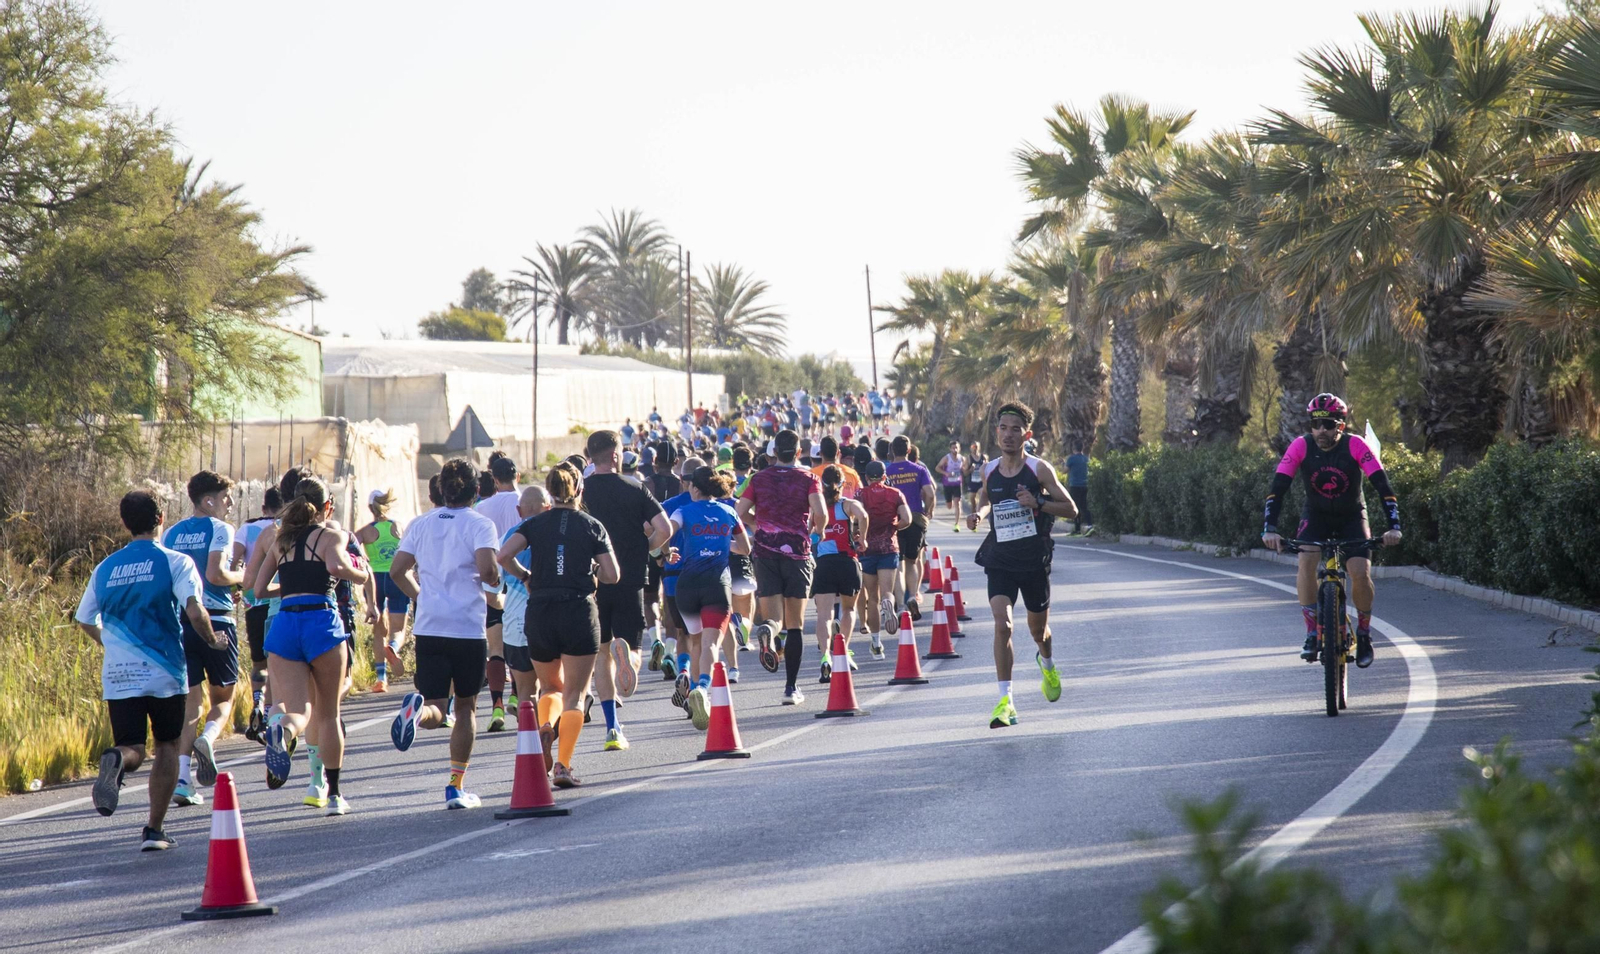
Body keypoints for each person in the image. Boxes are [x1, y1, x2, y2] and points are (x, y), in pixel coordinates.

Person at [79, 491, 223, 850]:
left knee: (132, 747)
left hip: (119, 673)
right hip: (163, 671)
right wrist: (212, 640)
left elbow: (83, 619)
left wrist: (111, 644)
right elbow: (194, 610)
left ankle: (117, 759)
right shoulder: (176, 562)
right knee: (167, 745)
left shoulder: (105, 568)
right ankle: (154, 830)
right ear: (162, 518)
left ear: (125, 524)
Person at [388, 458, 503, 810]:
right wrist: (496, 579)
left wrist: (422, 596)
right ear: (476, 490)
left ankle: (417, 711)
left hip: (429, 625)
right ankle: (455, 787)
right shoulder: (481, 525)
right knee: (466, 706)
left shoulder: (420, 524)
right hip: (467, 628)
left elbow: (397, 571)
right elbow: (487, 570)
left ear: (440, 489)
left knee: (437, 706)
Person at [496, 463, 619, 788]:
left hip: (541, 611)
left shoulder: (534, 523)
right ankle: (563, 765)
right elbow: (613, 575)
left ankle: (546, 723)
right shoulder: (592, 526)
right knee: (576, 694)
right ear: (579, 490)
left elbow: (503, 555)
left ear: (550, 492)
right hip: (578, 609)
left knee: (550, 688)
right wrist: (592, 573)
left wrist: (525, 576)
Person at [252, 475, 368, 813]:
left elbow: (258, 590)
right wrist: (360, 574)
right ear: (327, 506)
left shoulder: (280, 540)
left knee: (299, 711)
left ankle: (284, 732)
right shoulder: (330, 535)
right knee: (328, 714)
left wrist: (290, 586)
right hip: (321, 621)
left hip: (285, 622)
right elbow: (336, 566)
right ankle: (332, 795)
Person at [1261, 393, 1403, 668]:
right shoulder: (1301, 446)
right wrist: (1270, 529)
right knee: (1305, 561)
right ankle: (1312, 632)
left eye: (1327, 424)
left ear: (1341, 424)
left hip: (1352, 515)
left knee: (1360, 573)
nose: (1321, 430)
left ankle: (1363, 633)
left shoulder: (1356, 445)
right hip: (1316, 515)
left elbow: (1384, 488)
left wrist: (1394, 527)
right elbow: (1277, 490)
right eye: (1315, 424)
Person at [966, 402, 1077, 729]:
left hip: (1033, 559)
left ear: (1026, 434)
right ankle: (1006, 702)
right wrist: (979, 515)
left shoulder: (1039, 469)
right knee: (1003, 625)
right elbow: (987, 500)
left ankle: (1048, 663)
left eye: (1016, 429)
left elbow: (1071, 509)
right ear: (996, 432)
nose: (1009, 434)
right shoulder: (989, 470)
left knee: (1037, 631)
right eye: (1003, 428)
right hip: (1000, 557)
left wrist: (1038, 502)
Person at [580, 430, 672, 752]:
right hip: (631, 577)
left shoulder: (583, 490)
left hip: (593, 581)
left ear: (590, 456)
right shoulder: (637, 487)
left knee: (601, 654)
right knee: (631, 648)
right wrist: (643, 548)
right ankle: (629, 659)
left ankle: (612, 728)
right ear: (617, 455)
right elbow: (665, 529)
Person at [161, 471, 242, 807]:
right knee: (223, 698)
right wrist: (243, 577)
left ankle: (182, 780)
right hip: (216, 618)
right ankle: (208, 739)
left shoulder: (171, 532)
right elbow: (215, 573)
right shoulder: (220, 529)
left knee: (190, 702)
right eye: (225, 498)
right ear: (208, 501)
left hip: (180, 620)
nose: (231, 504)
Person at [735, 429, 827, 705]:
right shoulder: (809, 478)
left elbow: (738, 512)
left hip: (764, 553)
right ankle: (791, 688)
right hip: (797, 554)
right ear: (798, 453)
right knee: (796, 625)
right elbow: (820, 513)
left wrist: (756, 524)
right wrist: (816, 531)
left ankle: (769, 630)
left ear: (774, 453)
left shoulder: (759, 478)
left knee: (774, 619)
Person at [670, 466, 751, 729]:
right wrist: (721, 543)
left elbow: (666, 531)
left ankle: (695, 690)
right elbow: (745, 549)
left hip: (687, 586)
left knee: (695, 643)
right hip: (717, 586)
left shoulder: (683, 511)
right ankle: (703, 688)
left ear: (694, 488)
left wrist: (663, 551)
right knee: (710, 644)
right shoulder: (728, 511)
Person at [476, 455, 523, 731]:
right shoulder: (527, 502)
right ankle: (517, 693)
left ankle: (496, 707)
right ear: (516, 476)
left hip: (492, 578)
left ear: (494, 479)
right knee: (519, 644)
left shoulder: (483, 507)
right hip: (519, 579)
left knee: (495, 648)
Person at [810, 466, 868, 681]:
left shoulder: (818, 509)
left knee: (824, 614)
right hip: (847, 561)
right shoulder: (848, 505)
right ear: (843, 484)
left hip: (824, 564)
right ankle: (842, 652)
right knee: (849, 608)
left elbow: (809, 531)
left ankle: (825, 656)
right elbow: (863, 515)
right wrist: (863, 538)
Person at [499, 486, 550, 724]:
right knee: (551, 688)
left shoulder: (508, 537)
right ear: (548, 508)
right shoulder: (555, 536)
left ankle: (529, 748)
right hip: (549, 620)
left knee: (525, 693)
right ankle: (548, 733)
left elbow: (492, 588)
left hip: (516, 624)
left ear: (519, 511)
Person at [235, 488, 281, 743]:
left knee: (258, 664)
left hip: (253, 601)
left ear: (263, 508)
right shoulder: (282, 528)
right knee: (276, 662)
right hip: (277, 599)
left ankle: (256, 702)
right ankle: (267, 714)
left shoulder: (247, 529)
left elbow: (234, 564)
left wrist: (236, 590)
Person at [357, 489, 410, 693]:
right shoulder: (399, 527)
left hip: (374, 580)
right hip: (397, 577)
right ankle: (394, 648)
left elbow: (348, 546)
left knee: (378, 631)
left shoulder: (364, 531)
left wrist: (363, 560)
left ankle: (381, 679)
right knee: (398, 629)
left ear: (370, 508)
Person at [857, 461, 911, 646]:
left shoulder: (861, 494)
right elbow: (908, 519)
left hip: (867, 550)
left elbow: (855, 519)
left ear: (866, 477)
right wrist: (894, 527)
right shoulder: (895, 494)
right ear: (884, 476)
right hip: (889, 547)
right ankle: (889, 605)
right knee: (887, 591)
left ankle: (876, 641)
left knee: (872, 597)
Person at [885, 436, 936, 620]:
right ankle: (913, 596)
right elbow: (930, 493)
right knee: (912, 561)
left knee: (898, 564)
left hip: (895, 521)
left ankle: (900, 605)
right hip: (915, 518)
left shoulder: (887, 471)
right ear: (908, 450)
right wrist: (927, 512)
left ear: (892, 450)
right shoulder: (919, 469)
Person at [936, 441, 966, 531]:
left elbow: (964, 470)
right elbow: (937, 468)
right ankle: (950, 502)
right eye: (953, 448)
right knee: (949, 506)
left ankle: (956, 524)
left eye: (956, 447)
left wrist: (967, 470)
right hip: (948, 484)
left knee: (958, 503)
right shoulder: (946, 458)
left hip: (957, 483)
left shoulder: (962, 459)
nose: (955, 449)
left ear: (959, 448)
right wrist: (946, 473)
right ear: (950, 449)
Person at [1064, 441, 1092, 535]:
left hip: (1075, 485)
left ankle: (1077, 529)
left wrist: (1063, 464)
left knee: (1075, 506)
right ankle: (1090, 525)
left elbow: (1065, 471)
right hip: (1085, 485)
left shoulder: (1071, 459)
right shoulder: (1086, 459)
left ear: (1073, 448)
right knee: (1084, 506)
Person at [964, 441, 989, 517]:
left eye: (976, 447)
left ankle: (979, 514)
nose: (974, 449)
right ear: (971, 448)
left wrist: (985, 465)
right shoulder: (969, 458)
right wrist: (970, 469)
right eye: (973, 447)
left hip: (981, 481)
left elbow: (989, 468)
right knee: (972, 499)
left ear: (979, 448)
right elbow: (965, 473)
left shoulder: (983, 457)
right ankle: (973, 514)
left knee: (982, 495)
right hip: (973, 481)